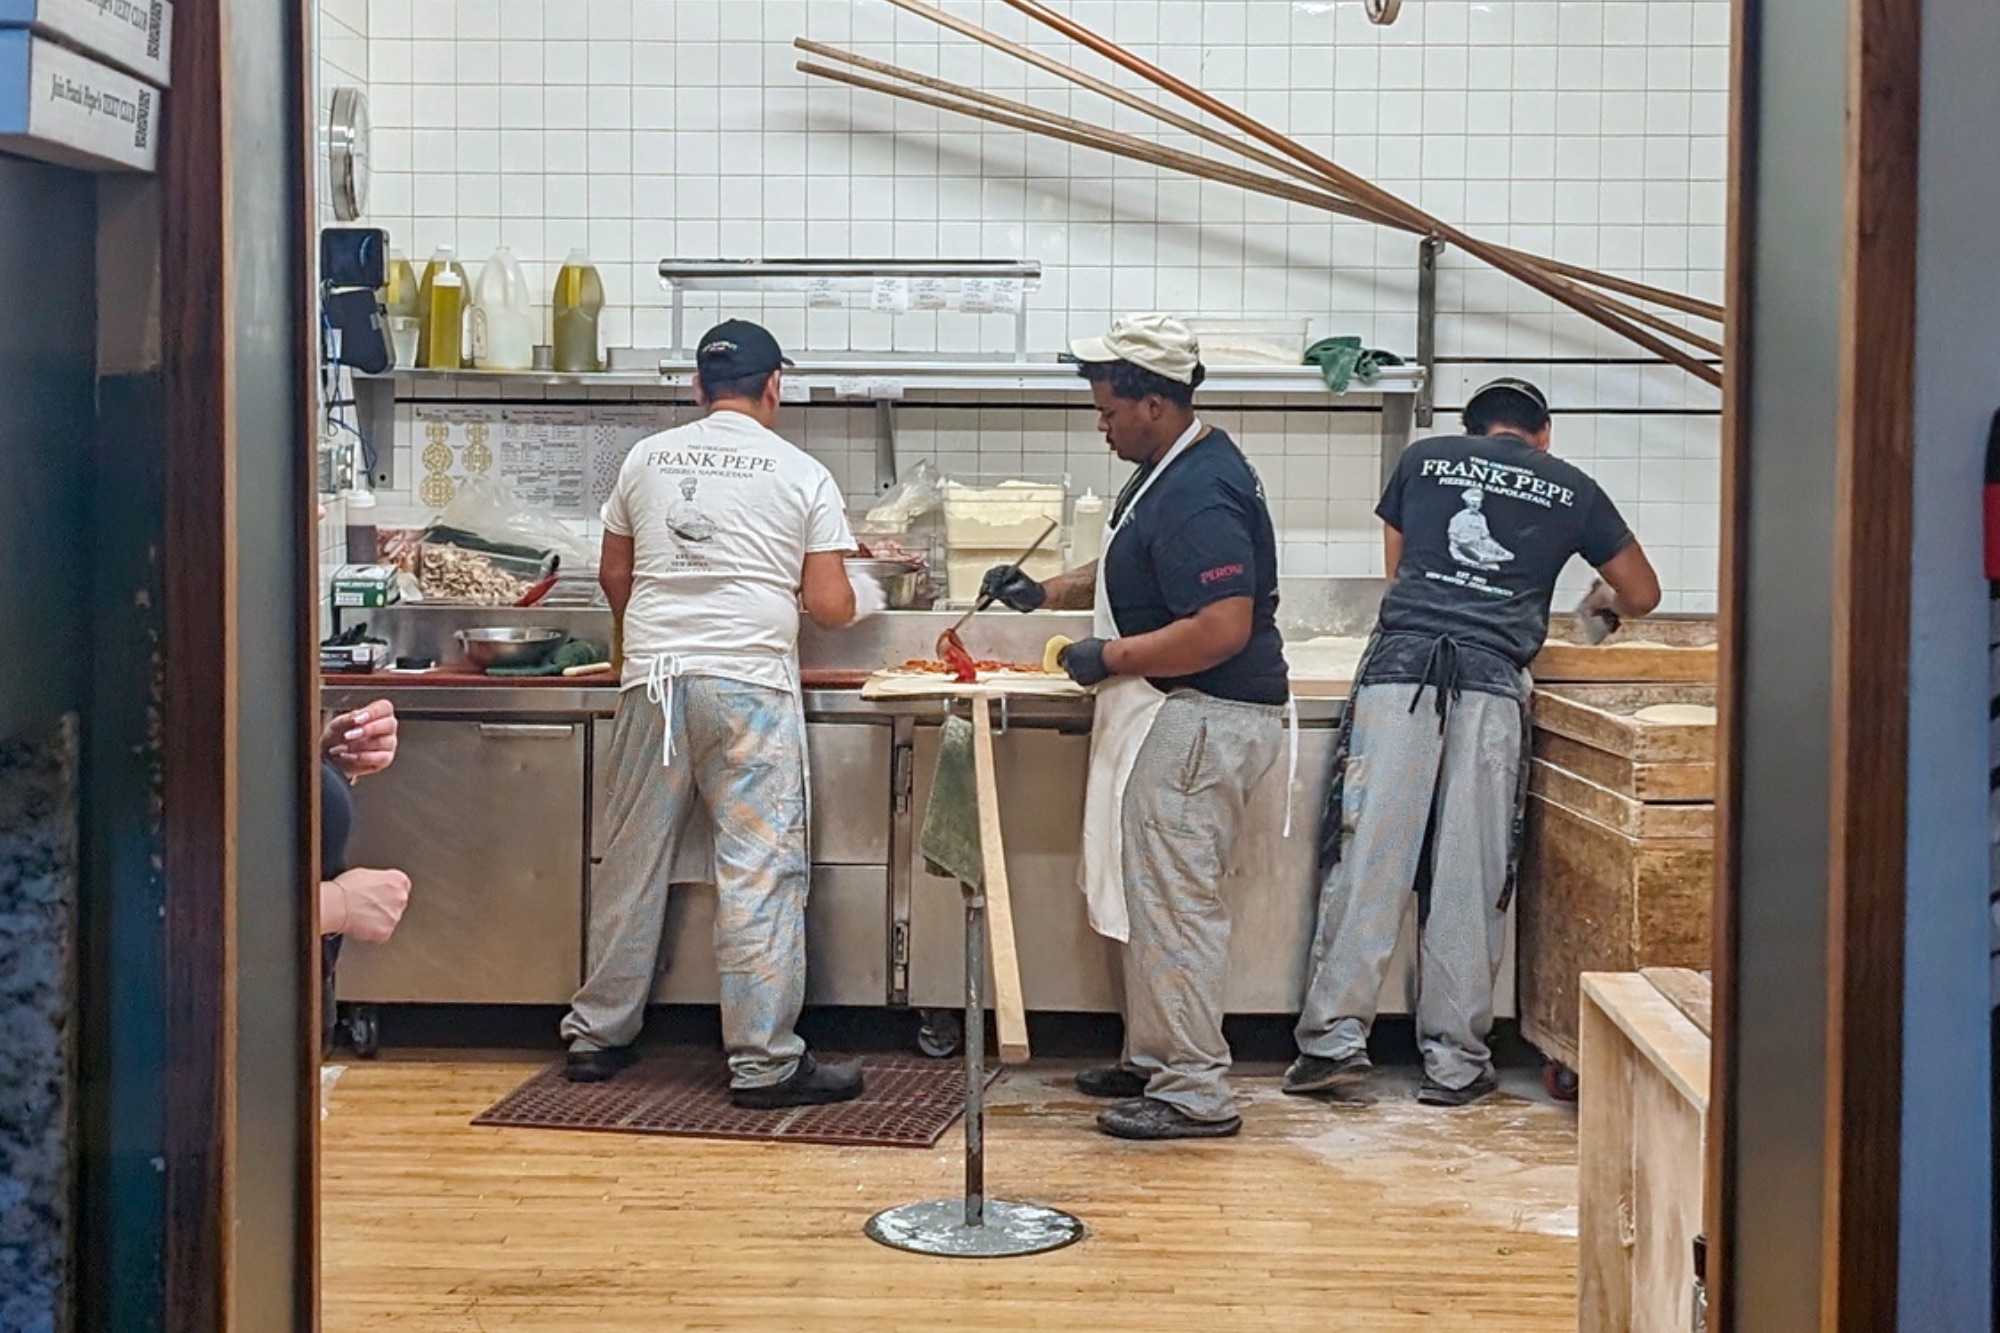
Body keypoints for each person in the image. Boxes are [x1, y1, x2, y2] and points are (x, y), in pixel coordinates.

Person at [1286, 378, 1661, 1107]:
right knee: (1470, 868)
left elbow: (1400, 574)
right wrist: (1598, 605)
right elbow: (1641, 592)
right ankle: (1456, 1061)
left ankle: (1333, 1042)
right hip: (1492, 687)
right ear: (1542, 433)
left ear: (1474, 427)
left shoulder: (1424, 460)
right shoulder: (1572, 487)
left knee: (1371, 855)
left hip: (1403, 675)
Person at [560, 319, 885, 1108]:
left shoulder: (646, 457)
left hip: (656, 682)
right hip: (749, 686)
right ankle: (764, 1060)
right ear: (775, 386)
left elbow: (615, 570)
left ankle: (596, 1036)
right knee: (758, 873)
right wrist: (865, 592)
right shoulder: (802, 471)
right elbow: (828, 603)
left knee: (630, 860)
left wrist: (649, 636)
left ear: (699, 388)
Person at [982, 313, 1291, 1140]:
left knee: (1176, 902)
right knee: (1150, 895)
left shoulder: (1200, 489)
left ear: (1155, 403)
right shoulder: (1167, 469)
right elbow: (1136, 558)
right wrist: (1042, 592)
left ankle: (1194, 1088)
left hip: (1203, 717)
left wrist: (1109, 654)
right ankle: (1156, 1058)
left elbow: (1222, 622)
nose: (1102, 422)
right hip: (1184, 713)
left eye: (1111, 409)